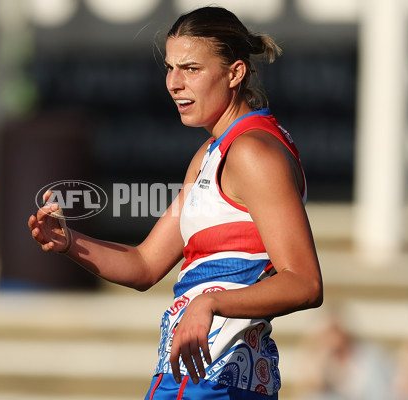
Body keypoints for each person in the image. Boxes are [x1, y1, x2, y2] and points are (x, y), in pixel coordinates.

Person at [28, 6, 323, 399]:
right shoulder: (211, 153)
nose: (174, 83)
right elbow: (145, 265)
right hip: (194, 374)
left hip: (216, 378)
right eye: (169, 68)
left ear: (235, 73)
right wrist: (69, 242)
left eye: (191, 69)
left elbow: (304, 282)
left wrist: (209, 304)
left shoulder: (252, 152)